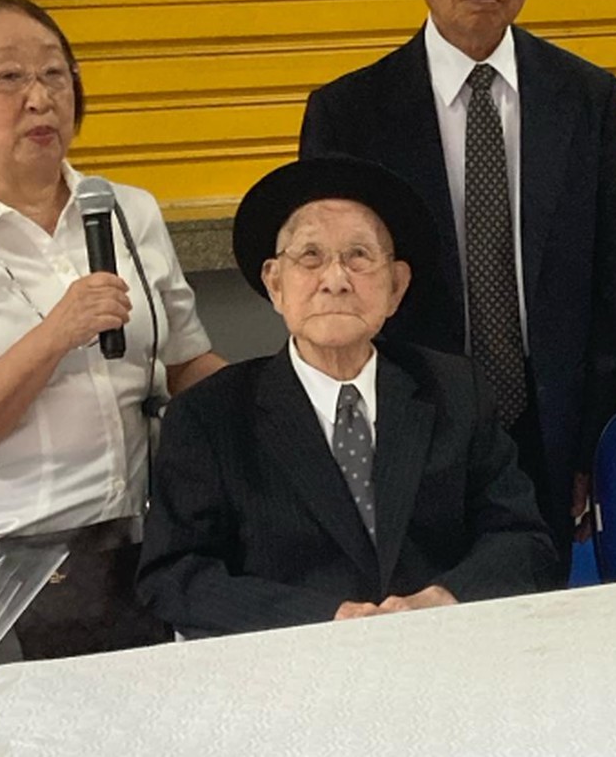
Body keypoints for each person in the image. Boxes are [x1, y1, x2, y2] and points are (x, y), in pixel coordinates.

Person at [299, 0, 616, 575]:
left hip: (546, 438)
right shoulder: (348, 114)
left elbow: (610, 291)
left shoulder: (588, 98)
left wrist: (590, 451)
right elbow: (323, 302)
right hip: (403, 438)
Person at [0, 0, 225, 658]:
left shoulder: (127, 210)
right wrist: (56, 331)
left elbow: (188, 362)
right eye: (8, 76)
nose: (41, 97)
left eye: (54, 73)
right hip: (15, 569)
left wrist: (292, 390)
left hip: (149, 541)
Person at [136, 156, 558, 636]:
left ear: (396, 287)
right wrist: (326, 620)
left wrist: (443, 599)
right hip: (284, 670)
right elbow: (175, 577)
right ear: (275, 284)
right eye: (310, 256)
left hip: (440, 652)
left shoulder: (455, 391)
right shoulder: (210, 415)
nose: (335, 279)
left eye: (359, 256)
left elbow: (522, 539)